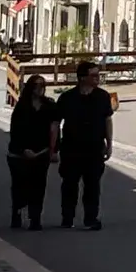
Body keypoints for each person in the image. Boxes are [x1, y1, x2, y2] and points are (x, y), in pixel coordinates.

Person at [54, 60, 113, 231]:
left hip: (94, 148)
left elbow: (107, 120)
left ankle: (91, 218)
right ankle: (67, 217)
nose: (97, 78)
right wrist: (54, 148)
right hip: (71, 148)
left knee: (93, 186)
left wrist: (109, 144)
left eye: (98, 75)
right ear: (81, 78)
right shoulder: (67, 98)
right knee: (69, 184)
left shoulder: (102, 97)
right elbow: (56, 123)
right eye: (93, 75)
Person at [6, 74, 55, 230]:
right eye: (37, 85)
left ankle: (35, 218)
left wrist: (53, 149)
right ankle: (17, 213)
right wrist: (23, 149)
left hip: (41, 152)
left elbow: (54, 129)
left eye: (43, 85)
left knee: (39, 186)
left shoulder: (49, 106)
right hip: (19, 154)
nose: (40, 88)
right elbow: (15, 131)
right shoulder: (22, 107)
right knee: (20, 186)